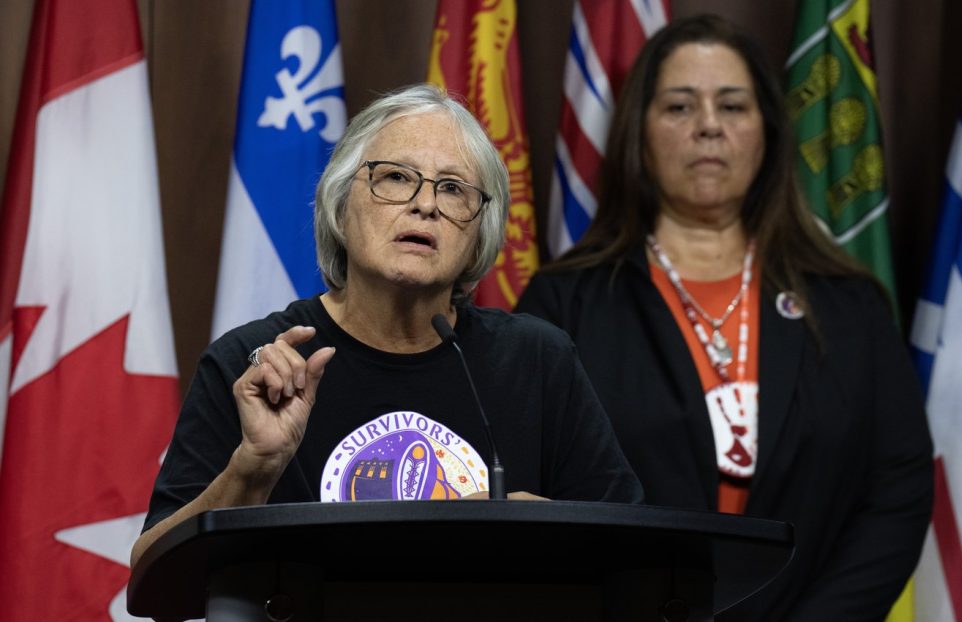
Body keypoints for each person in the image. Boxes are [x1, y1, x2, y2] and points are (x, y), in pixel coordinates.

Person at [516, 14, 933, 621]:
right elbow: (533, 497)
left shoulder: (848, 302)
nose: (709, 126)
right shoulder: (565, 303)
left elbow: (898, 490)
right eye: (680, 107)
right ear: (639, 131)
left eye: (732, 106)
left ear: (766, 130)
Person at [132, 84, 642, 567]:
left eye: (453, 189)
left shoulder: (537, 360)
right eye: (395, 177)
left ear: (479, 233)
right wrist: (253, 468)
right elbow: (156, 587)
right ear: (339, 205)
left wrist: (554, 533)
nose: (425, 204)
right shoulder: (258, 364)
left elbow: (636, 557)